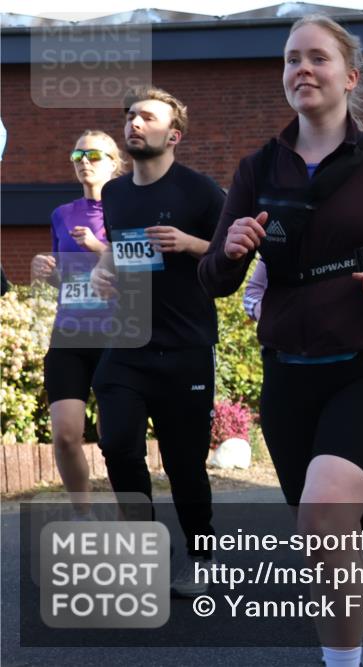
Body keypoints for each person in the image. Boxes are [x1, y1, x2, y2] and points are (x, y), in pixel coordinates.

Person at [198, 16, 363, 666]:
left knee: (323, 512)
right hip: (290, 375)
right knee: (330, 533)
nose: (302, 69)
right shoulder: (257, 169)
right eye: (292, 59)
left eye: (317, 58)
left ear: (349, 76)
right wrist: (231, 251)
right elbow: (213, 278)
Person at [88, 86, 225, 597]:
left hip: (186, 344)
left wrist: (192, 243)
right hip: (128, 341)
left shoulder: (202, 192)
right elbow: (117, 250)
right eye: (129, 116)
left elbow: (235, 254)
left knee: (184, 463)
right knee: (118, 442)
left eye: (146, 116)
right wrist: (103, 270)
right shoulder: (116, 193)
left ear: (174, 134)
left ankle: (204, 556)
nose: (133, 123)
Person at [30, 130, 124, 517]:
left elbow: (145, 268)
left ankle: (128, 514)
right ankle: (83, 515)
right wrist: (44, 269)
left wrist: (101, 248)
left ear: (115, 163)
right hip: (69, 332)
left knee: (116, 439)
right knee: (66, 436)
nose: (84, 160)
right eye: (77, 153)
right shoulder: (62, 214)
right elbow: (63, 276)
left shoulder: (129, 209)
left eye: (94, 154)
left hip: (118, 334)